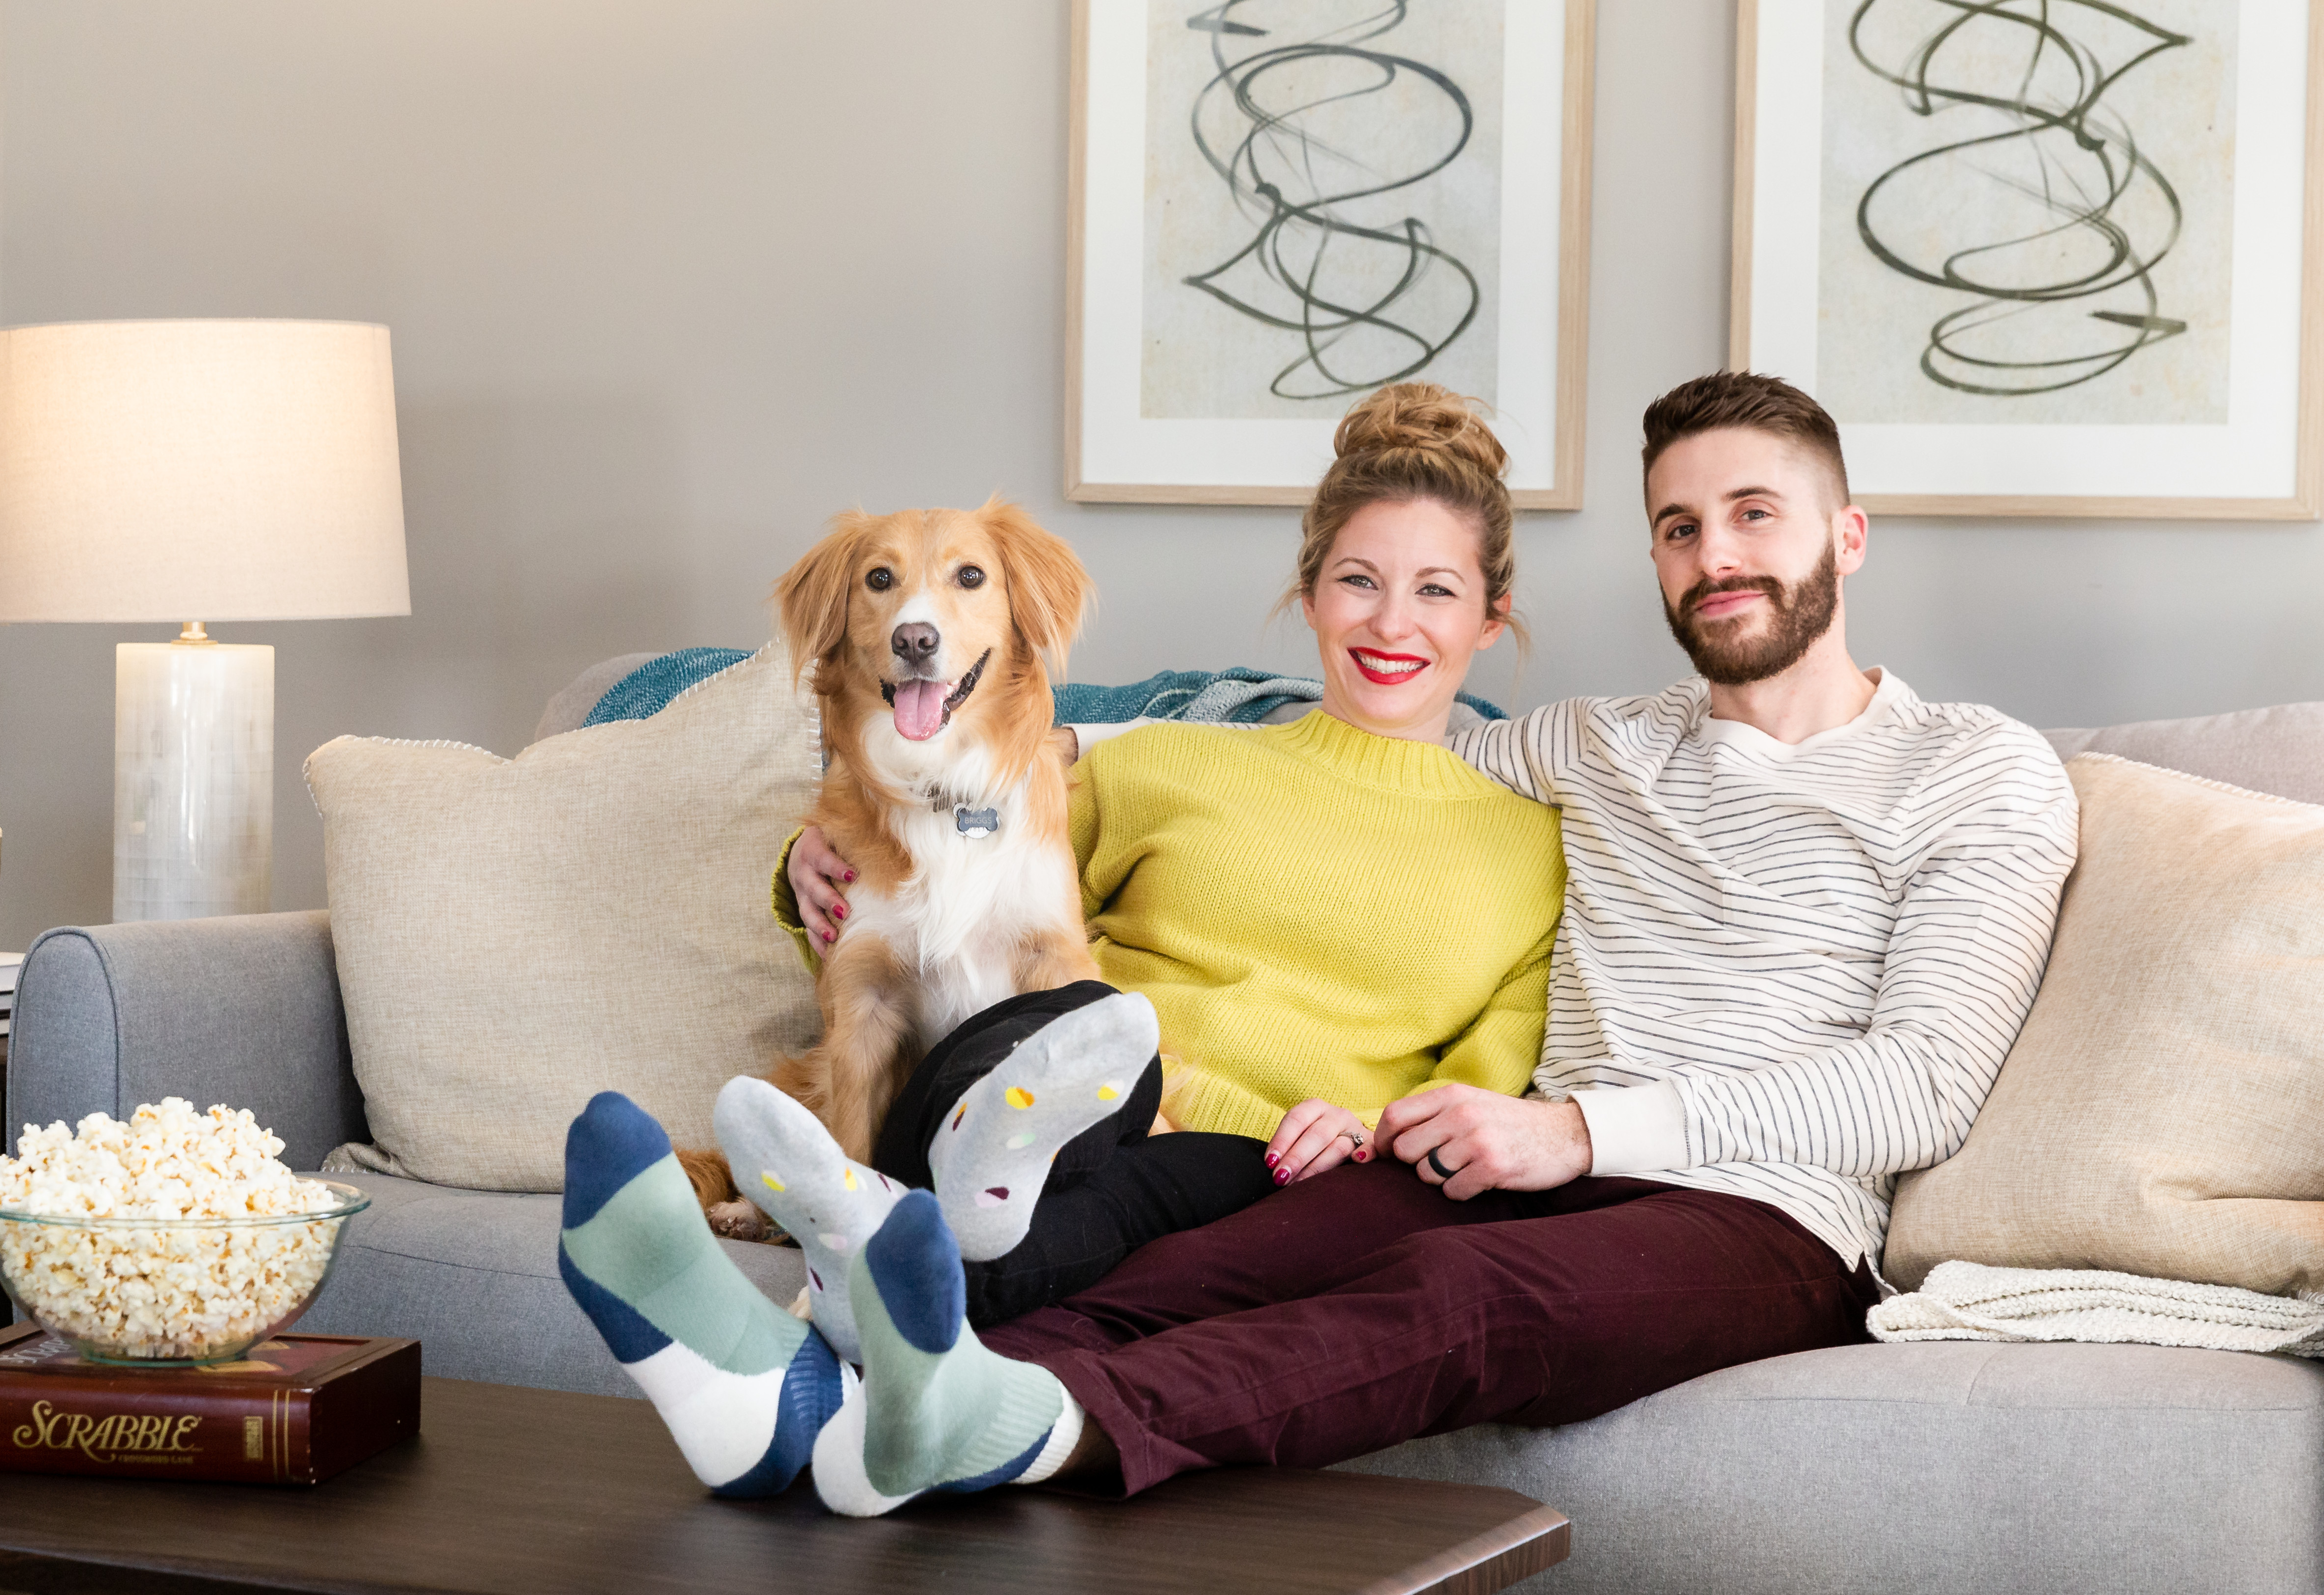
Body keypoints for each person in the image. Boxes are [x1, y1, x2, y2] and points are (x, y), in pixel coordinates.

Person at [567, 369, 2081, 1518]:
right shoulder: (1594, 746)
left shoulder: (1977, 767)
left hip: (1755, 1212)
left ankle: (1016, 1424)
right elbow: (1262, 771)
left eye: (1756, 515)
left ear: (1849, 535)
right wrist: (842, 838)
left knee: (1455, 1309)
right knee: (1213, 1263)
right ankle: (793, 1394)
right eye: (1679, 526)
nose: (1714, 555)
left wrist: (1575, 1128)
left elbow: (1921, 1083)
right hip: (1502, 1160)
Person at [555, 384, 1570, 1494]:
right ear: (1309, 596)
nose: (1390, 623)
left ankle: (832, 1288)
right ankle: (946, 1186)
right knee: (1071, 1041)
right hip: (1085, 1075)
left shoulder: (1532, 851)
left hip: (1264, 1159)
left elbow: (1481, 1095)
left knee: (1126, 1201)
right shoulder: (1167, 761)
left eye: (1435, 591)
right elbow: (942, 892)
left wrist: (1373, 1132)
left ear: (1491, 616)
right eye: (1358, 583)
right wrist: (807, 868)